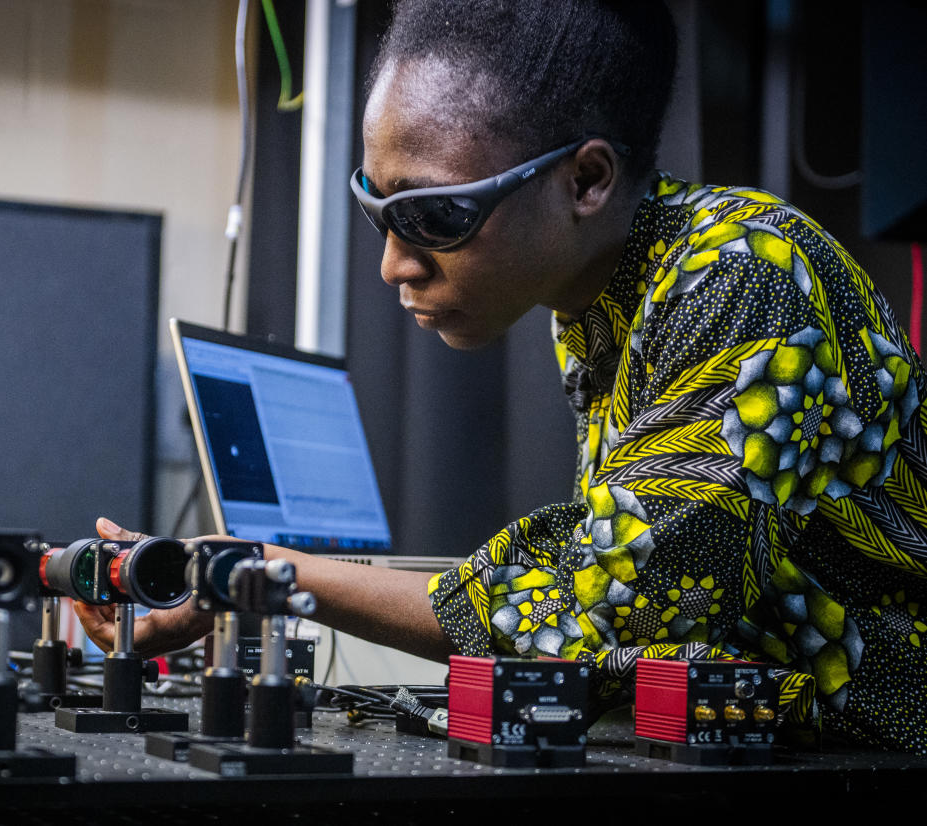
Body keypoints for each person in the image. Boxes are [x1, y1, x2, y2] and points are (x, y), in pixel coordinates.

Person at [78, 0, 927, 753]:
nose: (392, 266)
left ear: (585, 179)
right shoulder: (603, 296)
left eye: (433, 215)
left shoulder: (742, 272)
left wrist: (262, 572)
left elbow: (606, 602)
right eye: (375, 210)